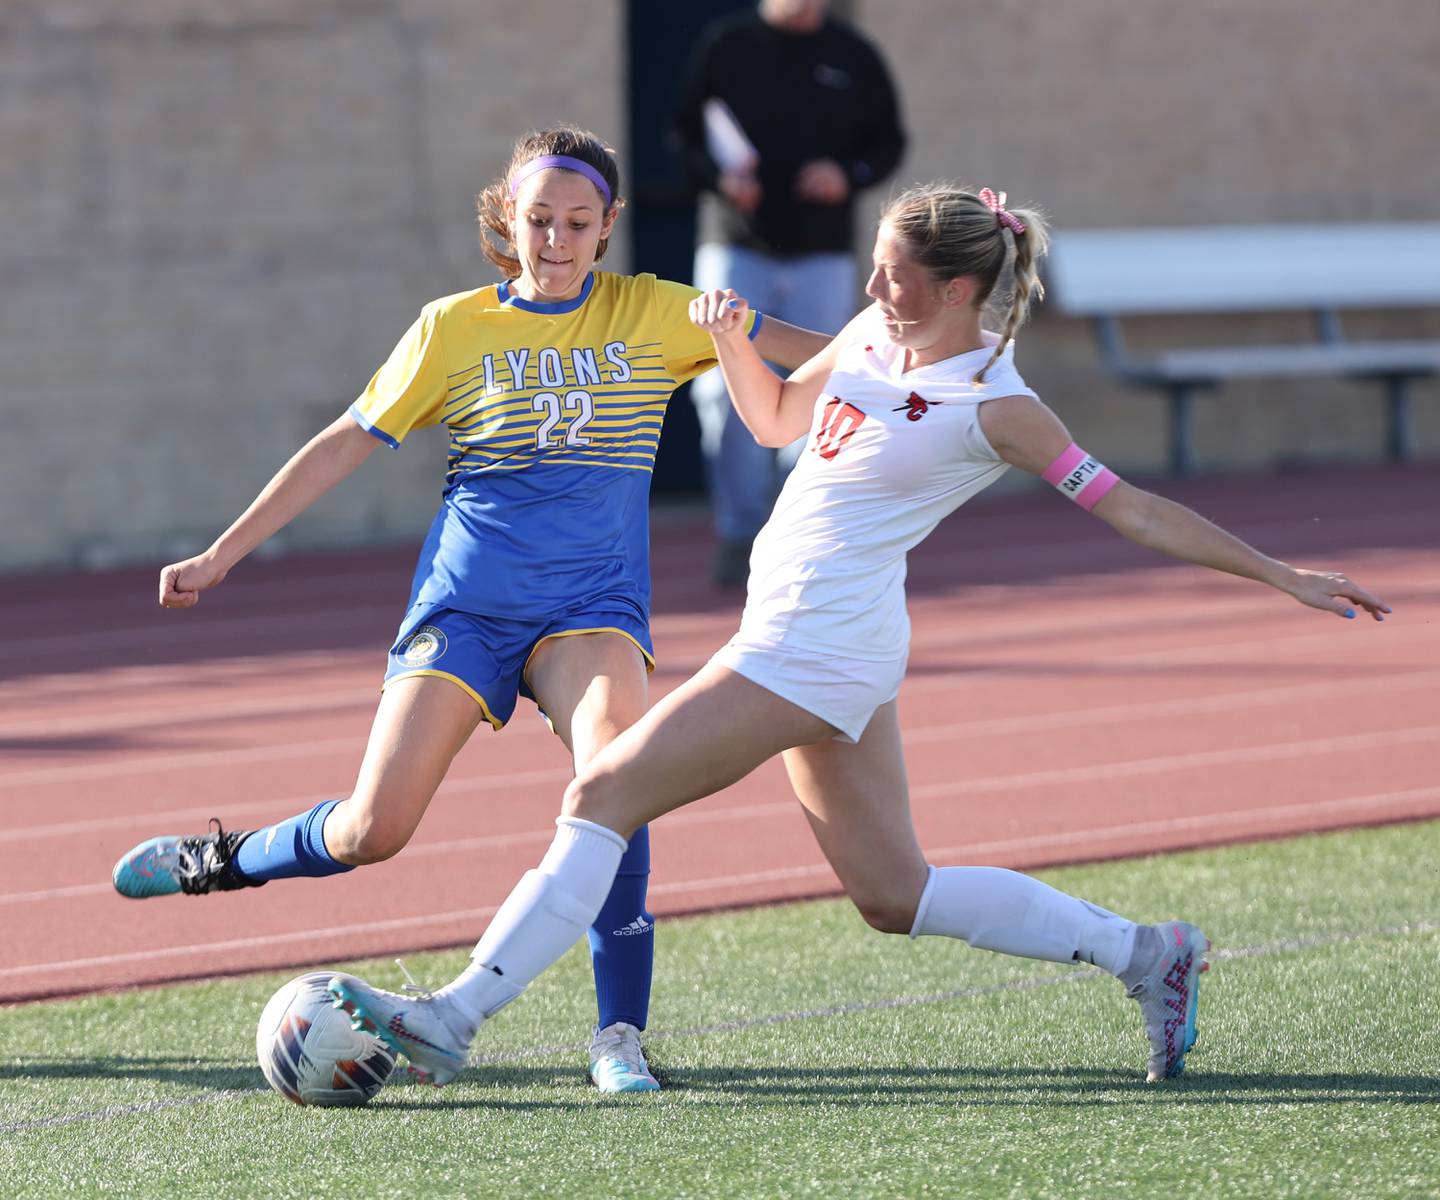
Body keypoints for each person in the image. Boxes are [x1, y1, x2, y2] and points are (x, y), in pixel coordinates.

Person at [325, 182, 1392, 1089]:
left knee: (599, 793)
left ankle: (454, 1019)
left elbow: (1133, 508)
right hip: (841, 637)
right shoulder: (878, 334)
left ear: (963, 288)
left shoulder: (999, 405)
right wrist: (732, 346)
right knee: (895, 894)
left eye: (896, 276)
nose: (875, 292)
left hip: (813, 647)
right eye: (875, 269)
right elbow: (780, 419)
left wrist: (1279, 572)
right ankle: (1147, 953)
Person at [108, 126, 830, 1094]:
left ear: (610, 225)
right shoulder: (452, 328)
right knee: (375, 829)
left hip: (592, 612)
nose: (557, 239)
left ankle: (619, 1035)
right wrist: (221, 553)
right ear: (507, 217)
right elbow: (341, 444)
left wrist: (920, 352)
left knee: (618, 778)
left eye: (578, 222)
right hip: (469, 609)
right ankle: (226, 859)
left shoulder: (658, 313)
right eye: (539, 220)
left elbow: (827, 359)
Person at [670, 0, 906, 585]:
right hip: (737, 246)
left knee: (822, 387)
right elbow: (681, 133)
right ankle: (739, 533)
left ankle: (797, 530)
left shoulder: (854, 53)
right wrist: (720, 180)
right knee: (725, 394)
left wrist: (846, 175)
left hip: (822, 252)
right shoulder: (726, 46)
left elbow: (888, 142)